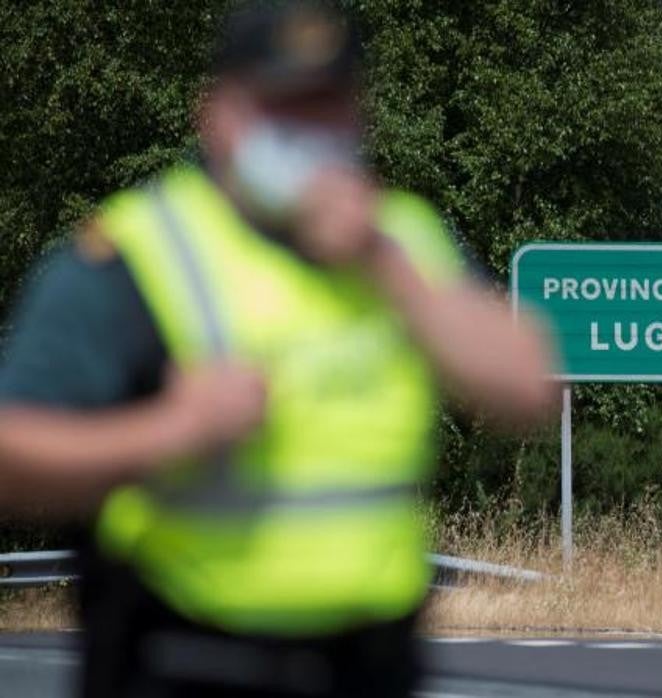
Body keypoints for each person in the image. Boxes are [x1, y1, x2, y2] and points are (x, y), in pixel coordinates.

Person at [0, 2, 557, 696]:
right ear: (219, 114)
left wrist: (385, 264)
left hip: (370, 663)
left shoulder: (403, 239)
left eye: (328, 107)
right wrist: (168, 431)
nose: (309, 132)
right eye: (283, 108)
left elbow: (529, 386)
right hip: (184, 659)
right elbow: (12, 453)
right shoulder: (138, 254)